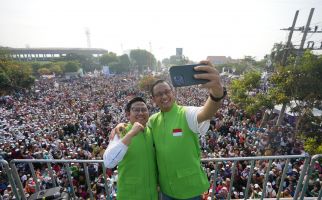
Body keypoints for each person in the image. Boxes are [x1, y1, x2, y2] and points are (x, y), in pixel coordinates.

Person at [115, 60, 225, 199]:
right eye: (159, 94)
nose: (164, 96)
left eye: (167, 92)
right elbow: (136, 124)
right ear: (154, 99)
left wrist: (216, 93)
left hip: (189, 189)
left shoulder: (186, 114)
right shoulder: (153, 121)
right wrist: (121, 126)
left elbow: (206, 112)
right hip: (166, 191)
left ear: (173, 93)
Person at [103, 97, 158, 200]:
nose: (141, 113)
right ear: (128, 114)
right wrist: (131, 134)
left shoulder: (151, 131)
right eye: (136, 110)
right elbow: (108, 162)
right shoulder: (121, 131)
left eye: (144, 109)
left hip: (152, 194)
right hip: (130, 194)